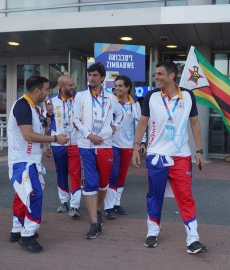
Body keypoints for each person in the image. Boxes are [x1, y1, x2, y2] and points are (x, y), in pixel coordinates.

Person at [132, 60, 207, 254]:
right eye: (156, 74)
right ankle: (152, 231)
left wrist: (199, 151)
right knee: (154, 195)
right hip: (156, 155)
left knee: (185, 196)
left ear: (172, 75)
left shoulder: (188, 96)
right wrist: (135, 148)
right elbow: (142, 124)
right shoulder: (151, 96)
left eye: (159, 74)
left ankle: (193, 239)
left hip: (181, 156)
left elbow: (195, 124)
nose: (156, 77)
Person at [7, 76, 69, 252]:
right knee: (34, 194)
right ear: (37, 91)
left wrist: (49, 115)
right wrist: (55, 139)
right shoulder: (22, 106)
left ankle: (16, 230)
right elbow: (28, 135)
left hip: (30, 160)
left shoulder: (34, 107)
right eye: (46, 89)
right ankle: (28, 234)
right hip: (21, 161)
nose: (48, 93)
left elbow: (41, 129)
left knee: (22, 194)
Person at [72, 62, 123, 239]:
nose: (91, 78)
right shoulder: (80, 96)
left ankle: (98, 209)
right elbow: (75, 120)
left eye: (95, 75)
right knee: (90, 183)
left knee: (103, 184)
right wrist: (88, 135)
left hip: (105, 145)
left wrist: (112, 130)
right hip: (86, 145)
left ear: (102, 78)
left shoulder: (110, 98)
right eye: (89, 75)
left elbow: (120, 115)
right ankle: (94, 223)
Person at [103, 75, 145, 219]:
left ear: (128, 87)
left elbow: (140, 124)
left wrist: (141, 143)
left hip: (128, 144)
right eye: (116, 86)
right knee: (113, 174)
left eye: (120, 86)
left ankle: (116, 203)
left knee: (121, 175)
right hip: (113, 143)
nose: (117, 88)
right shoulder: (111, 102)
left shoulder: (135, 104)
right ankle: (108, 207)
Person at [45, 75, 82, 217]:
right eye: (70, 85)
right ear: (62, 87)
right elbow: (46, 124)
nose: (72, 88)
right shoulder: (51, 101)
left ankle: (74, 205)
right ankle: (64, 201)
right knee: (61, 173)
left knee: (75, 173)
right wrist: (46, 144)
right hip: (58, 143)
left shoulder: (79, 99)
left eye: (73, 84)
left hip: (76, 142)